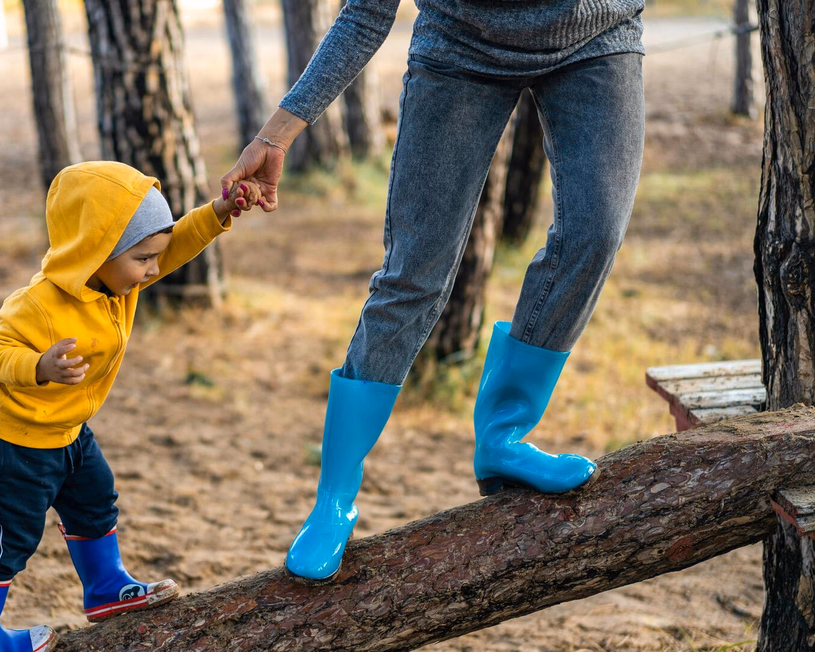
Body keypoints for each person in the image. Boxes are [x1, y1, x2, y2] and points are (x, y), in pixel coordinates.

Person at [221, 1, 646, 581]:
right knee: (413, 276)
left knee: (594, 235)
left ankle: (503, 437)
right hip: (460, 46)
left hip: (598, 35)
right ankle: (334, 501)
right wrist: (280, 131)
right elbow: (366, 12)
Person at [0, 161, 263, 652]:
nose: (153, 270)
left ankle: (105, 587)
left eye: (153, 257)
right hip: (13, 439)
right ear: (97, 251)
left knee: (96, 500)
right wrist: (39, 366)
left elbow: (175, 244)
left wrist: (219, 211)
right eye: (142, 258)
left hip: (68, 430)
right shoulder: (41, 304)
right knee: (8, 539)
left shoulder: (120, 280)